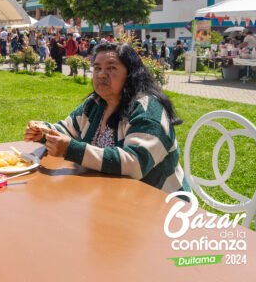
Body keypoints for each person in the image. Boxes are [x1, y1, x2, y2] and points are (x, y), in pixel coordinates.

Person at [24, 42, 189, 194]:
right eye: (97, 68)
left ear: (131, 73)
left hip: (163, 207)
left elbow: (135, 164)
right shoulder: (96, 103)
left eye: (111, 68)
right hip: (115, 198)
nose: (101, 74)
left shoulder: (148, 109)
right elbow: (67, 130)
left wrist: (71, 150)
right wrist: (44, 133)